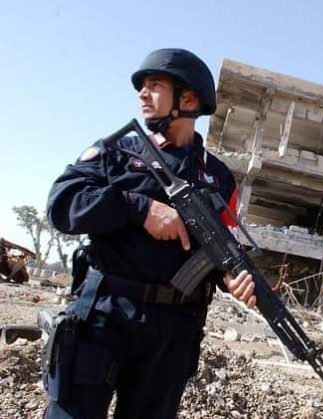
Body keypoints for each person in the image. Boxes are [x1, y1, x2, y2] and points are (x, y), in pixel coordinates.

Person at [44, 48, 256, 419]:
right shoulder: (116, 152)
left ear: (188, 99)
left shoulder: (219, 177)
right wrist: (139, 208)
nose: (143, 93)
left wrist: (232, 277)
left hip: (174, 329)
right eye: (142, 86)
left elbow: (221, 245)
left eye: (155, 85)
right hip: (104, 314)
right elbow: (63, 204)